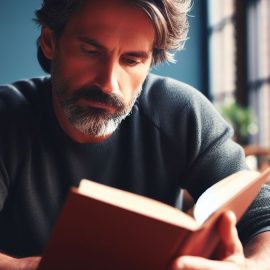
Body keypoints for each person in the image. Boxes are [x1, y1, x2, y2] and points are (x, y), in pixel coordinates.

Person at [0, 0, 270, 269]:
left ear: (151, 60)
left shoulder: (183, 113)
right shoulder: (7, 118)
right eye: (91, 51)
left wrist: (253, 265)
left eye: (132, 60)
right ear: (49, 41)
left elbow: (263, 215)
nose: (108, 84)